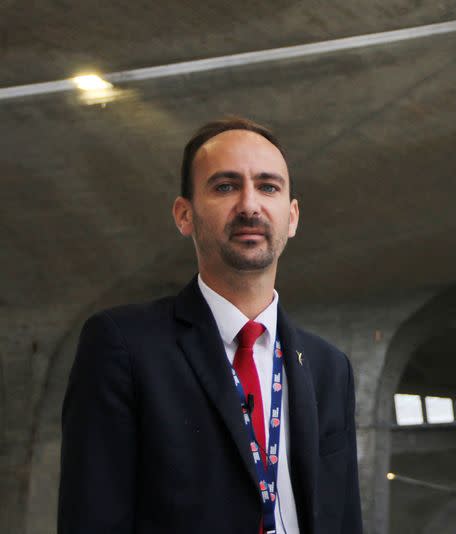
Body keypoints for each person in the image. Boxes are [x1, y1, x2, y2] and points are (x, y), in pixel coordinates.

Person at [58, 117, 362, 534]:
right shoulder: (124, 347)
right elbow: (91, 518)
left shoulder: (329, 368)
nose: (250, 205)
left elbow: (343, 519)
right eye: (225, 186)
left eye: (268, 187)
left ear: (292, 217)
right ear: (184, 215)